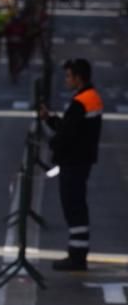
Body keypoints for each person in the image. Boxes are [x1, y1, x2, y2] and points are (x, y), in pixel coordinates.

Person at [39, 58, 103, 271]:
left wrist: (52, 143)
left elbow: (67, 135)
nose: (66, 80)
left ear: (79, 78)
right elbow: (71, 128)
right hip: (82, 160)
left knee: (73, 208)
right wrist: (50, 119)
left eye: (68, 76)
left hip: (73, 162)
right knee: (78, 207)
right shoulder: (91, 98)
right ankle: (78, 253)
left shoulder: (80, 102)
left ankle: (76, 257)